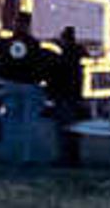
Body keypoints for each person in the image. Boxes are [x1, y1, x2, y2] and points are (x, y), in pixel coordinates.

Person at [47, 27, 89, 166]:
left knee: (63, 128)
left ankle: (65, 157)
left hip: (64, 94)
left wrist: (52, 92)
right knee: (73, 128)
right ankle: (73, 156)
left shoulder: (63, 58)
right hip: (75, 94)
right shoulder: (77, 56)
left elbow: (57, 76)